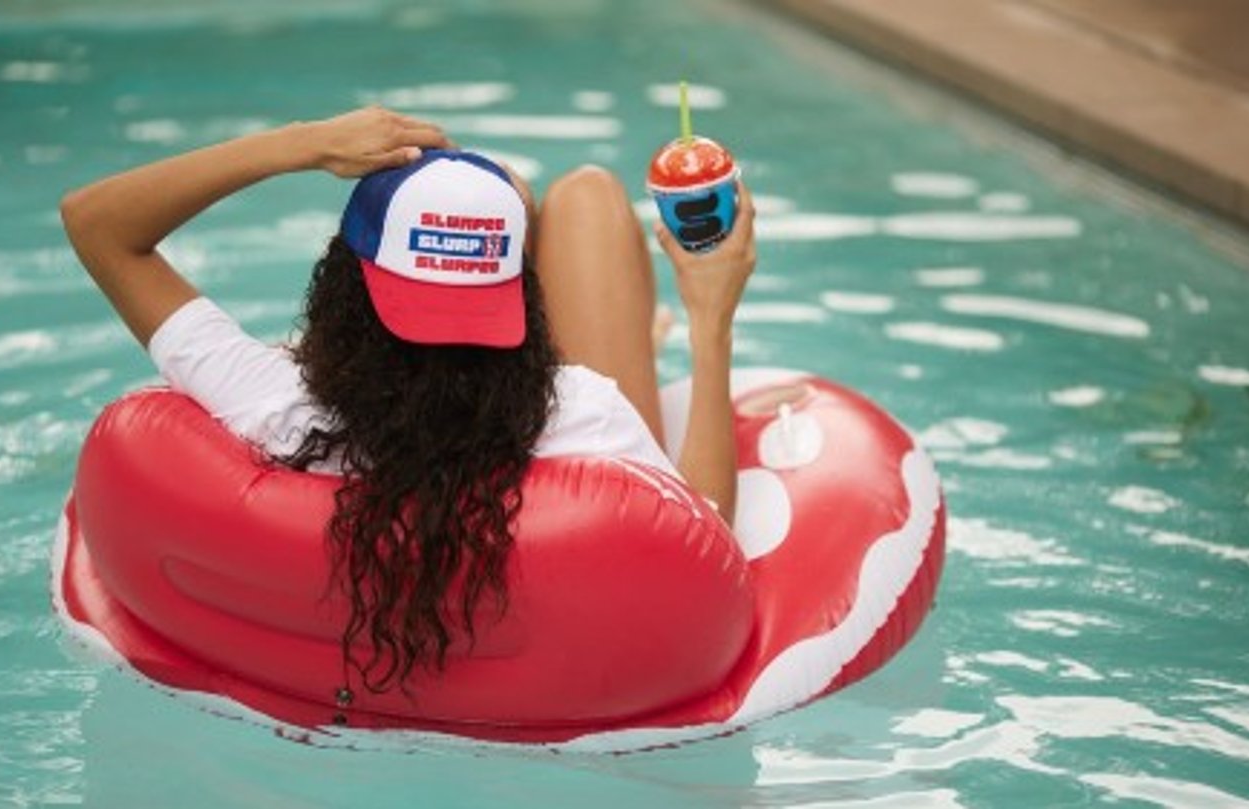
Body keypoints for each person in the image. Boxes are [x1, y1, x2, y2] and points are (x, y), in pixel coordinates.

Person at [60, 106, 756, 693]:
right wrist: (711, 316)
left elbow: (95, 223)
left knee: (510, 189)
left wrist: (300, 144)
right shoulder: (581, 413)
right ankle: (635, 323)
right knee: (588, 199)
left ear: (342, 289)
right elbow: (707, 548)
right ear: (520, 311)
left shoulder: (274, 401)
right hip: (533, 433)